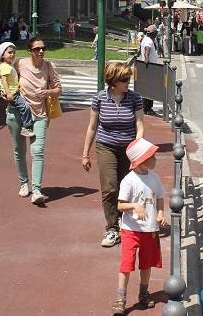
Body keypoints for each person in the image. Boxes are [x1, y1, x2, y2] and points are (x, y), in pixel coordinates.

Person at [82, 62, 146, 249]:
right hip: (106, 146)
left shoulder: (135, 98)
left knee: (127, 186)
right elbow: (92, 127)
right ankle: (111, 228)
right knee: (110, 187)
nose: (128, 83)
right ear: (113, 81)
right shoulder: (99, 99)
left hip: (129, 148)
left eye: (128, 79)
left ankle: (125, 221)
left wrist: (137, 147)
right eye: (124, 80)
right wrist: (85, 154)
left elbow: (140, 125)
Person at [112, 137, 166, 314]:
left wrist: (160, 212)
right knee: (126, 264)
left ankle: (143, 293)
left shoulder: (154, 178)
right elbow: (120, 205)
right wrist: (135, 206)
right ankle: (120, 298)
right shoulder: (129, 180)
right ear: (142, 159)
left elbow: (159, 197)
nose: (156, 159)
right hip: (131, 230)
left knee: (146, 263)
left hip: (150, 229)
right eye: (153, 156)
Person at [8, 36, 62, 205]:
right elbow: (7, 81)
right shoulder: (20, 64)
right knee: (19, 150)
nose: (40, 51)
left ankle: (37, 189)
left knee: (37, 152)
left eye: (43, 48)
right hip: (17, 113)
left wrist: (48, 92)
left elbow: (59, 89)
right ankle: (24, 183)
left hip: (39, 114)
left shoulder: (48, 66)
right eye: (36, 49)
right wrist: (6, 94)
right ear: (29, 51)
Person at [0, 42, 35, 139]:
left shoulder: (9, 65)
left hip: (14, 91)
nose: (12, 54)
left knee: (21, 106)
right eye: (9, 52)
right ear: (2, 55)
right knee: (25, 107)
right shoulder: (5, 67)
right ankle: (27, 127)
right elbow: (4, 81)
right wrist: (8, 92)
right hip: (13, 93)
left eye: (14, 52)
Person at [139, 25, 159, 115]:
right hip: (150, 67)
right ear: (153, 33)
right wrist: (147, 60)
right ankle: (147, 108)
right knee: (150, 89)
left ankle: (146, 107)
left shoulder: (146, 39)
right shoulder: (149, 41)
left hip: (148, 66)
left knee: (147, 88)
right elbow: (147, 49)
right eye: (156, 33)